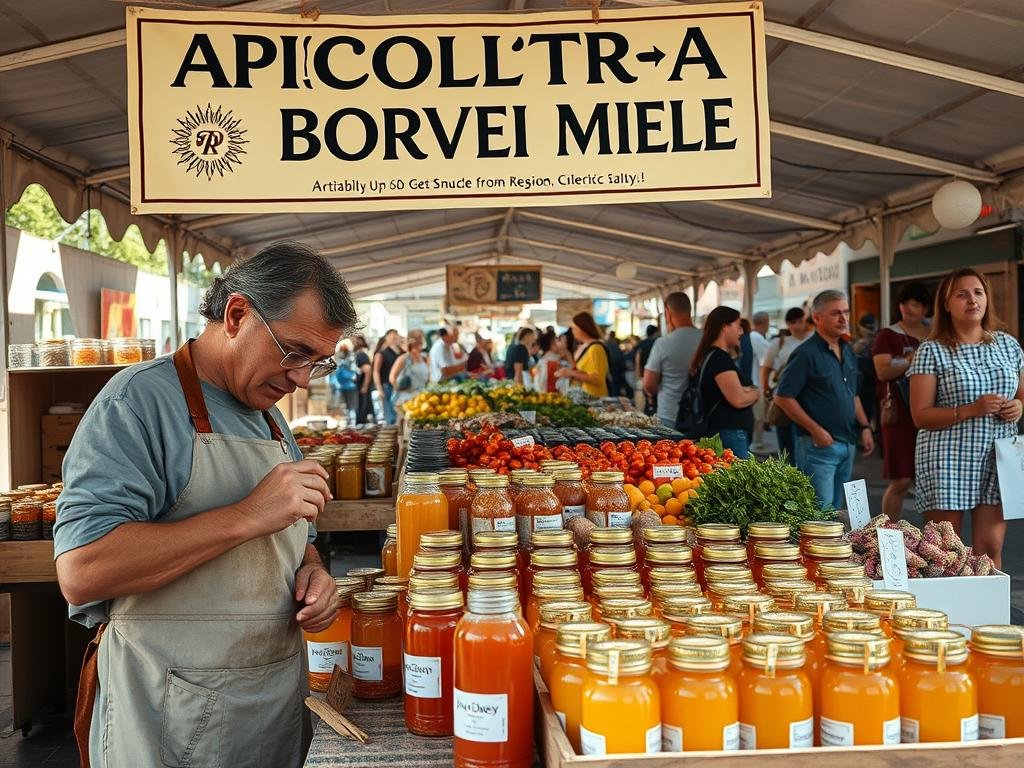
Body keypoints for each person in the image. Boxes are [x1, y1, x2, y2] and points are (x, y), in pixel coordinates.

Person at [53, 242, 357, 767]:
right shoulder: (138, 403)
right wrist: (245, 516)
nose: (303, 378)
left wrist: (315, 578)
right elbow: (82, 570)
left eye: (319, 361)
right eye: (294, 352)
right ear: (237, 314)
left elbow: (297, 544)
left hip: (272, 706)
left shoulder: (270, 419)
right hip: (169, 717)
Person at [909, 268, 1023, 569]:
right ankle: (948, 614)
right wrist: (970, 409)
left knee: (990, 546)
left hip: (999, 455)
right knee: (946, 550)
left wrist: (1019, 406)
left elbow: (1022, 393)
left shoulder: (1008, 345)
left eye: (978, 293)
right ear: (946, 305)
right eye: (961, 294)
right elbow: (920, 415)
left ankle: (990, 613)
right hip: (947, 456)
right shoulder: (931, 350)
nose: (971, 300)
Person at [775, 289, 875, 509]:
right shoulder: (806, 353)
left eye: (846, 312)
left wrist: (865, 426)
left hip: (847, 443)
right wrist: (815, 430)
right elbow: (783, 397)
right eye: (836, 313)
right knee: (817, 514)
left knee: (837, 512)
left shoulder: (847, 349)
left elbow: (853, 393)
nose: (843, 318)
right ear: (817, 318)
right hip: (818, 447)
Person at [872, 282, 931, 521]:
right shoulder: (888, 335)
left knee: (929, 479)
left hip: (931, 412)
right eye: (905, 303)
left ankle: (932, 541)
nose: (908, 308)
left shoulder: (935, 333)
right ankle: (888, 535)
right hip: (899, 414)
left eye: (915, 304)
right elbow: (882, 371)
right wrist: (913, 360)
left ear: (926, 308)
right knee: (901, 478)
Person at [688, 306, 760, 458]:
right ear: (724, 327)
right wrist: (755, 392)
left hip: (725, 433)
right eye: (738, 325)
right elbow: (738, 400)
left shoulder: (712, 355)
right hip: (729, 435)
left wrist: (746, 391)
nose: (741, 332)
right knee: (737, 480)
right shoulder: (719, 358)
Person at [762, 307, 813, 463]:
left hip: (808, 396)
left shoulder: (814, 339)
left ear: (805, 321)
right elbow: (767, 367)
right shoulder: (779, 342)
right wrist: (765, 387)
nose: (796, 325)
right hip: (783, 396)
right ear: (787, 324)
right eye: (792, 322)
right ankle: (789, 471)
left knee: (805, 437)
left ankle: (803, 471)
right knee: (786, 438)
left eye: (800, 321)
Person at [644, 292, 702, 428]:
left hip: (668, 413)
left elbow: (648, 383)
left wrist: (661, 391)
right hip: (699, 414)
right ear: (689, 310)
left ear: (667, 313)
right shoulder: (706, 339)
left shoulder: (663, 343)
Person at [555, 312, 610, 397]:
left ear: (581, 329)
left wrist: (570, 373)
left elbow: (598, 379)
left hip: (594, 398)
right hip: (584, 397)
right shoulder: (585, 347)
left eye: (574, 328)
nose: (572, 332)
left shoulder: (595, 348)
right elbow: (578, 369)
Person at [390, 337, 431, 421]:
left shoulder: (424, 357)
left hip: (421, 398)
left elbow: (429, 375)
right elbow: (392, 377)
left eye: (419, 344)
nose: (418, 346)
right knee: (406, 424)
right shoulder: (403, 358)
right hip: (405, 398)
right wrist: (397, 389)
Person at [747, 312, 771, 452]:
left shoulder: (749, 337)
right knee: (758, 418)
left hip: (750, 384)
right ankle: (756, 444)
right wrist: (766, 386)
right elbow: (766, 365)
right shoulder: (759, 340)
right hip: (757, 384)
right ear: (766, 322)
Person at [371, 329, 403, 425]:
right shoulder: (381, 354)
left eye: (396, 336)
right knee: (391, 417)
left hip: (399, 387)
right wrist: (379, 389)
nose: (395, 338)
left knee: (399, 415)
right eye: (392, 336)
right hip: (387, 387)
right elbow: (375, 372)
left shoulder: (399, 352)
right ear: (386, 338)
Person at [853, 313, 879, 428]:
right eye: (868, 328)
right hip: (861, 385)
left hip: (876, 381)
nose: (870, 331)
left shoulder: (878, 340)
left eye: (872, 327)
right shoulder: (855, 342)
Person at [330, 340, 359, 424]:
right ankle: (347, 421)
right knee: (346, 405)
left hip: (347, 385)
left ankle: (350, 421)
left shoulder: (350, 359)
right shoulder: (343, 359)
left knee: (349, 405)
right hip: (343, 385)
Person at [534, 329, 570, 394]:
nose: (560, 342)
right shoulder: (548, 362)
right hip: (552, 398)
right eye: (557, 340)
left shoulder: (546, 360)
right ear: (552, 344)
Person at [635, 324, 660, 415]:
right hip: (656, 376)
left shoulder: (641, 343)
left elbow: (637, 359)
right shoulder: (658, 342)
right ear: (656, 332)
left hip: (644, 375)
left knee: (646, 402)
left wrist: (639, 377)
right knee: (655, 403)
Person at [352, 334, 374, 423]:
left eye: (354, 341)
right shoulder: (360, 354)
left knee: (362, 409)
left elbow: (368, 370)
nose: (353, 343)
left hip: (362, 387)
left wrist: (365, 386)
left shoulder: (361, 355)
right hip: (360, 386)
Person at [604, 330, 628, 398]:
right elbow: (620, 356)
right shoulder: (616, 343)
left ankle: (613, 397)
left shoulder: (607, 344)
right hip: (617, 367)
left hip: (610, 367)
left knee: (613, 384)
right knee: (616, 384)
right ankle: (616, 397)